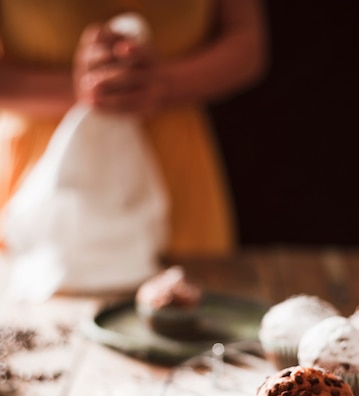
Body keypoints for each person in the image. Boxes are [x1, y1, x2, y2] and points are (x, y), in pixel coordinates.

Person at [0, 0, 270, 259]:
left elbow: (247, 41)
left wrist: (165, 84)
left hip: (178, 179)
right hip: (34, 168)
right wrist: (85, 88)